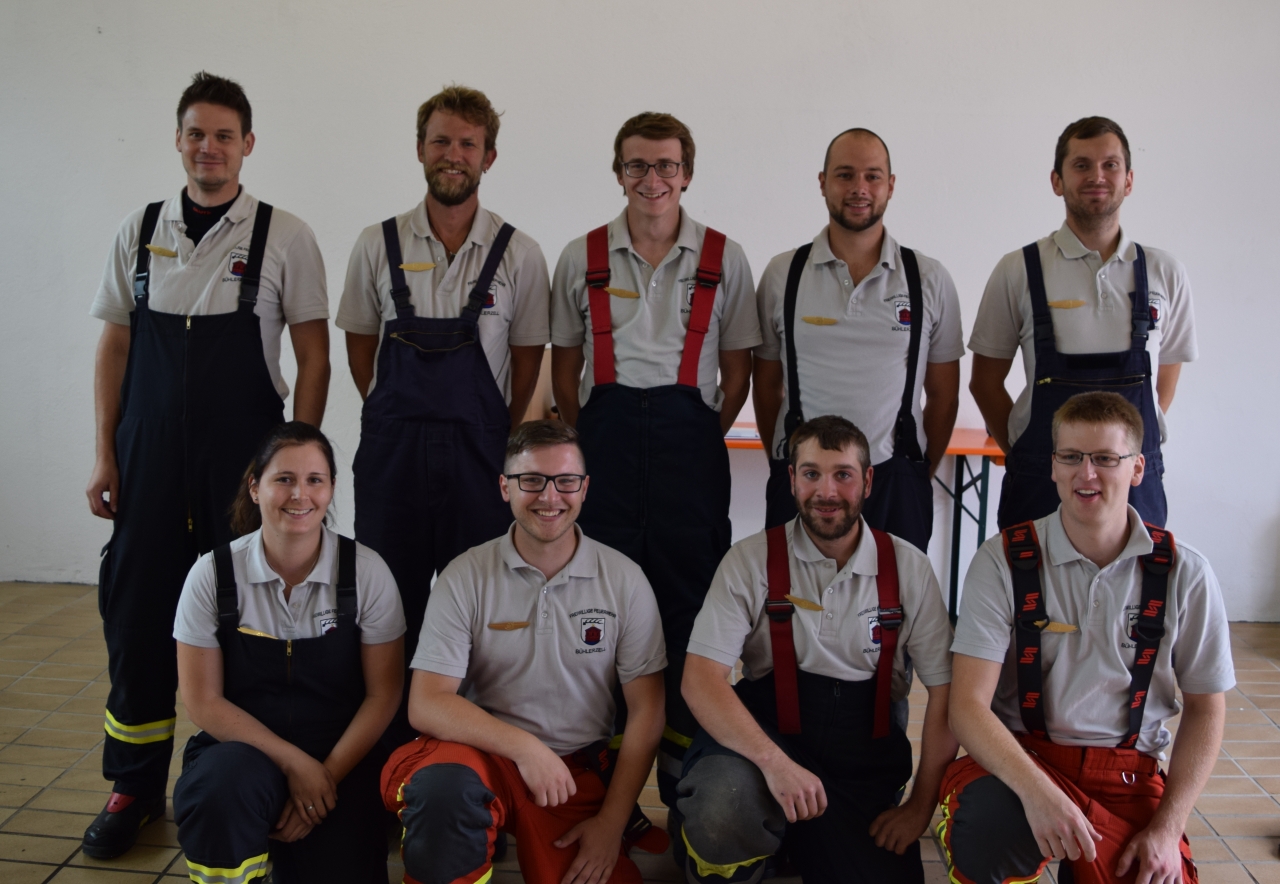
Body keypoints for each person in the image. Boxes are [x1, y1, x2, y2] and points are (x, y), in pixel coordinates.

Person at [84, 71, 331, 857]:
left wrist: (294, 467)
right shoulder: (140, 229)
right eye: (196, 133)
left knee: (248, 621)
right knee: (137, 617)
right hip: (149, 459)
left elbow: (314, 354)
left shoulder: (283, 235)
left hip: (241, 465)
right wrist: (104, 452)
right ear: (179, 140)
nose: (210, 147)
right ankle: (133, 785)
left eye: (225, 134)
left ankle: (242, 768)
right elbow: (116, 343)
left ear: (247, 145)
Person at [550, 112, 760, 806]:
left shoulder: (724, 257)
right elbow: (565, 364)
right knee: (600, 605)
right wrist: (588, 442)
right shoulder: (580, 256)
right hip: (604, 445)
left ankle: (684, 773)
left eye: (666, 165)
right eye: (637, 165)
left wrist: (700, 430)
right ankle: (599, 776)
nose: (652, 178)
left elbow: (739, 368)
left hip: (688, 452)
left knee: (688, 607)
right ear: (618, 173)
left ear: (687, 174)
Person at [941, 392, 1231, 884]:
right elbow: (967, 706)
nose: (1086, 474)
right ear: (1052, 466)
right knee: (988, 830)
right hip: (1022, 760)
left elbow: (1206, 708)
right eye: (1071, 457)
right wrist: (1038, 793)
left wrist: (1167, 827)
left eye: (1105, 459)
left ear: (1138, 468)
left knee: (1152, 872)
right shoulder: (1002, 560)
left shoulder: (1186, 573)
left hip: (1127, 773)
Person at [381, 420, 667, 884]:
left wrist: (611, 824)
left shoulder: (625, 580)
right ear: (504, 487)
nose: (550, 497)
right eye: (531, 480)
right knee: (442, 792)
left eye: (566, 481)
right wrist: (525, 748)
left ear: (585, 487)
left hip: (572, 775)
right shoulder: (465, 575)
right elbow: (427, 701)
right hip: (481, 757)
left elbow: (648, 711)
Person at [676, 415, 957, 883]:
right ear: (792, 479)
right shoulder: (749, 561)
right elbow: (699, 679)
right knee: (723, 807)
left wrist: (919, 807)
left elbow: (947, 696)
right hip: (764, 744)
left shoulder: (910, 568)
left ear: (868, 481)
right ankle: (746, 849)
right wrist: (775, 764)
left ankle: (797, 842)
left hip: (861, 764)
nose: (826, 492)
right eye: (811, 474)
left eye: (842, 475)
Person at [337, 85, 551, 697]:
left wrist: (491, 438)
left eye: (467, 143)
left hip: (479, 458)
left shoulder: (520, 254)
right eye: (441, 141)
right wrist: (394, 412)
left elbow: (526, 362)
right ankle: (389, 746)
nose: (452, 154)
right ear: (419, 149)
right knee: (386, 605)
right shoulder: (376, 245)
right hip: (392, 456)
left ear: (489, 156)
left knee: (480, 602)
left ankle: (468, 742)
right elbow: (359, 350)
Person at [171, 422, 404, 884]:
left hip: (342, 758)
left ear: (332, 489)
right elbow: (202, 701)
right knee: (217, 793)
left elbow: (384, 694)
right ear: (255, 487)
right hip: (244, 754)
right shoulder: (212, 575)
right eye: (284, 479)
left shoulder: (367, 573)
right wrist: (295, 764)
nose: (300, 494)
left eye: (315, 480)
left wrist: (324, 778)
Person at [968, 116, 1198, 530]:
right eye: (1081, 165)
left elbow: (1165, 380)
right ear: (1057, 180)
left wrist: (1124, 450)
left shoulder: (1164, 272)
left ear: (1129, 180)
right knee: (1030, 592)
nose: (1097, 176)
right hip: (1041, 479)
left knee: (1135, 593)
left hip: (1134, 483)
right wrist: (1027, 453)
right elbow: (984, 382)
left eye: (1110, 165)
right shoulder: (1018, 270)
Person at [754, 128, 964, 551]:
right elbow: (766, 386)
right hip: (801, 483)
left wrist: (915, 471)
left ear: (890, 185)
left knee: (896, 610)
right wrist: (791, 466)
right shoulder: (783, 275)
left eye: (872, 176)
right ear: (822, 182)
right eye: (845, 175)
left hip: (896, 481)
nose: (859, 189)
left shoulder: (929, 278)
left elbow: (943, 396)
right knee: (794, 609)